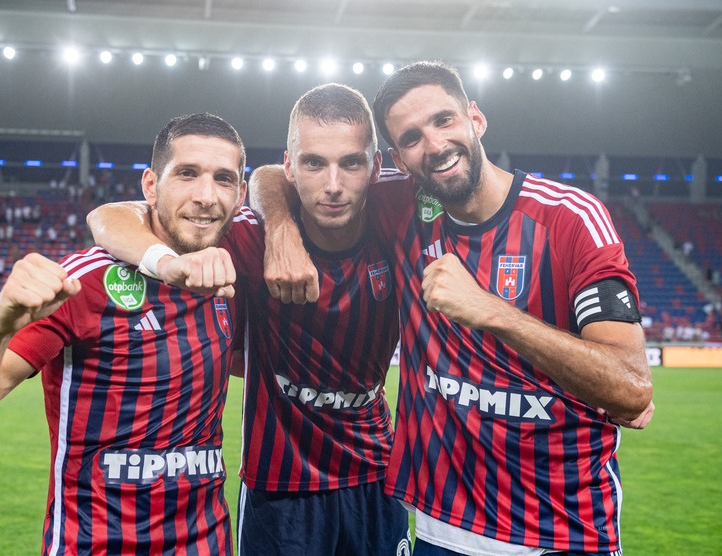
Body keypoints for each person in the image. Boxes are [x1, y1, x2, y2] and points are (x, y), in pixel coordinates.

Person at [257, 62, 654, 556]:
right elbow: (274, 175)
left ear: (475, 119)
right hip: (439, 529)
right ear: (398, 161)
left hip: (562, 532)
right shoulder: (399, 205)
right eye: (412, 137)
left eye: (444, 120)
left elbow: (631, 390)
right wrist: (281, 229)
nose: (435, 144)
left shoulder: (569, 218)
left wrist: (491, 310)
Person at [87, 84, 411, 556]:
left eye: (351, 163)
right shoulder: (247, 238)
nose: (333, 184)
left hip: (377, 474)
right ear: (291, 167)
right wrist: (272, 229)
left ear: (376, 168)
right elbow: (108, 217)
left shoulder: (401, 215)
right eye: (314, 163)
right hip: (280, 489)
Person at [0, 113, 249, 556]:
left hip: (207, 543)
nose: (206, 196)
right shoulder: (86, 281)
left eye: (223, 179)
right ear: (151, 186)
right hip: (95, 544)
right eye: (187, 174)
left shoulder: (232, 273)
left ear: (240, 194)